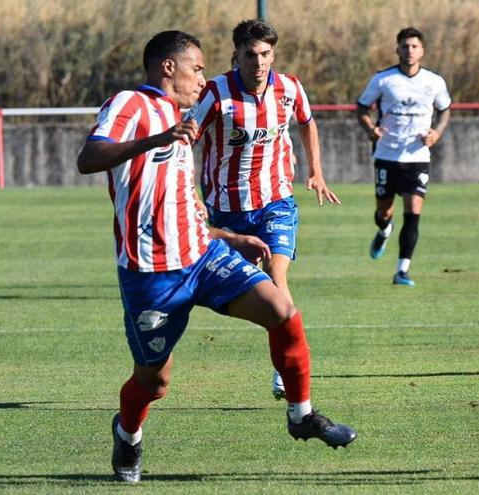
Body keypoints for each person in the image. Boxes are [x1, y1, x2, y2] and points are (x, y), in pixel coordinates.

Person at [77, 30, 356, 483]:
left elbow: (181, 200)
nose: (202, 78)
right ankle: (127, 435)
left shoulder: (181, 116)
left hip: (203, 256)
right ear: (169, 67)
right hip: (152, 273)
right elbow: (89, 158)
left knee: (283, 311)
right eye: (198, 68)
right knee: (154, 382)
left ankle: (300, 413)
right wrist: (158, 138)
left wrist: (225, 234)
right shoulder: (132, 104)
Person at [187, 19, 340, 401]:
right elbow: (185, 140)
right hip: (227, 211)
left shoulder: (289, 88)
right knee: (232, 293)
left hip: (276, 201)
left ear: (274, 54)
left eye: (266, 54)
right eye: (251, 55)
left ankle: (283, 372)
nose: (259, 63)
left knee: (276, 274)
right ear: (236, 55)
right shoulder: (215, 93)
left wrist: (316, 171)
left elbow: (307, 123)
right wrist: (186, 192)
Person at [356, 27, 451, 286]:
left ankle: (402, 271)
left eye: (414, 46)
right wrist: (370, 129)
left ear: (422, 50)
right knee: (384, 212)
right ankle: (384, 230)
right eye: (405, 46)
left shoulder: (434, 81)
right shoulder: (383, 80)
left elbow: (445, 110)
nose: (409, 50)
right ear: (397, 49)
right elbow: (362, 107)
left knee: (413, 210)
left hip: (417, 156)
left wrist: (437, 133)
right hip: (387, 154)